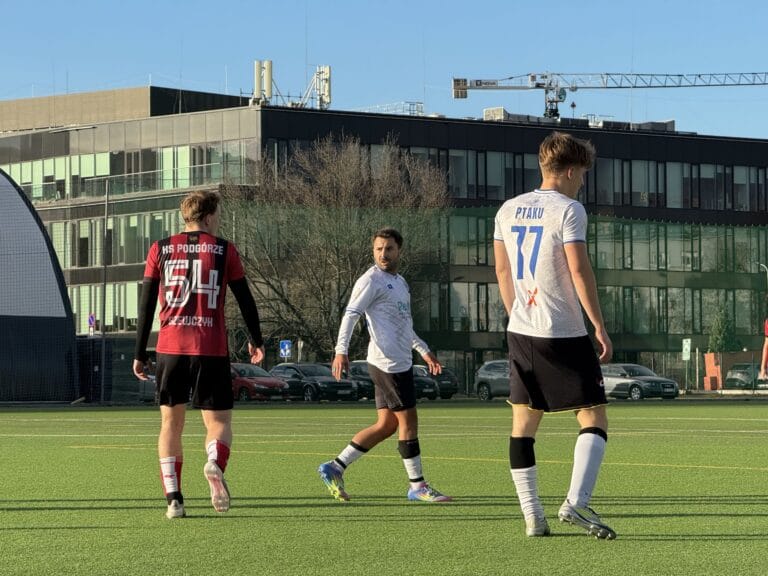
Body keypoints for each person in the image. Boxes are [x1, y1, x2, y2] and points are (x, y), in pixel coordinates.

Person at [494, 131, 615, 539]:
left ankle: (533, 518)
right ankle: (576, 504)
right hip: (561, 330)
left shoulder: (508, 209)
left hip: (520, 330)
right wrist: (597, 324)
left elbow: (502, 271)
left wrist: (517, 313)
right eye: (581, 173)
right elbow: (579, 270)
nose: (582, 181)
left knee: (523, 424)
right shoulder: (569, 209)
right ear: (567, 171)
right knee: (593, 415)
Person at [133, 190, 265, 519]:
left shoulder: (160, 248)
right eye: (218, 215)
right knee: (218, 421)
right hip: (210, 347)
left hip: (170, 348)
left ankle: (174, 500)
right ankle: (214, 462)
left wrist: (139, 352)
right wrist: (256, 339)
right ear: (207, 217)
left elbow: (147, 303)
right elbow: (246, 299)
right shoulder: (224, 250)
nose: (219, 221)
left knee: (170, 425)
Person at [318, 227, 451, 503]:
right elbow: (351, 314)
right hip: (388, 364)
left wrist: (424, 351)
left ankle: (335, 466)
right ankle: (418, 486)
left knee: (386, 425)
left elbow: (405, 324)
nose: (383, 254)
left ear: (399, 250)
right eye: (378, 249)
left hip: (398, 362)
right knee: (409, 421)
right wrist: (340, 351)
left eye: (388, 248)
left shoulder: (400, 283)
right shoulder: (371, 281)